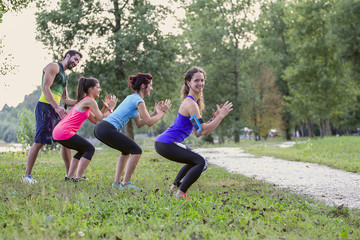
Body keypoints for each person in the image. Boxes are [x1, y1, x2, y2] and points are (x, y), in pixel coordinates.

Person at [154, 67, 233, 199]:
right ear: (188, 82)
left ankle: (174, 188)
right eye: (196, 80)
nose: (200, 83)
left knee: (195, 159)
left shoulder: (192, 103)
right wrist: (221, 116)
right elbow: (205, 131)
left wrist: (214, 118)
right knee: (202, 161)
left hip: (164, 143)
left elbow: (198, 132)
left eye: (202, 80)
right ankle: (180, 193)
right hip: (167, 143)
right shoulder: (191, 104)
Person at [94, 72, 171, 190]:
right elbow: (150, 122)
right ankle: (126, 183)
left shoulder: (132, 98)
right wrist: (162, 112)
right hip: (106, 128)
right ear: (143, 86)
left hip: (101, 128)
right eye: (150, 85)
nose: (152, 88)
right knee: (137, 150)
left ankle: (117, 183)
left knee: (126, 151)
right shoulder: (139, 101)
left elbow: (140, 123)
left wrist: (156, 112)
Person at [22, 50, 82, 184]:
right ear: (67, 56)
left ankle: (69, 175)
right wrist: (56, 106)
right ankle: (27, 176)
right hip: (45, 107)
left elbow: (65, 100)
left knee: (65, 139)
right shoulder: (54, 66)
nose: (76, 63)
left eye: (78, 61)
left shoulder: (65, 77)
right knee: (39, 141)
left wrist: (83, 101)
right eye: (75, 59)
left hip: (56, 109)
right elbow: (45, 88)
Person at [52, 77, 117, 181]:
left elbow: (96, 120)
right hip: (64, 131)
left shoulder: (85, 101)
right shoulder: (90, 101)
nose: (100, 90)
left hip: (59, 131)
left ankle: (69, 177)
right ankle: (78, 177)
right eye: (98, 87)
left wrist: (105, 108)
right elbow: (101, 117)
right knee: (89, 149)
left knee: (82, 149)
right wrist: (111, 108)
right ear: (91, 89)